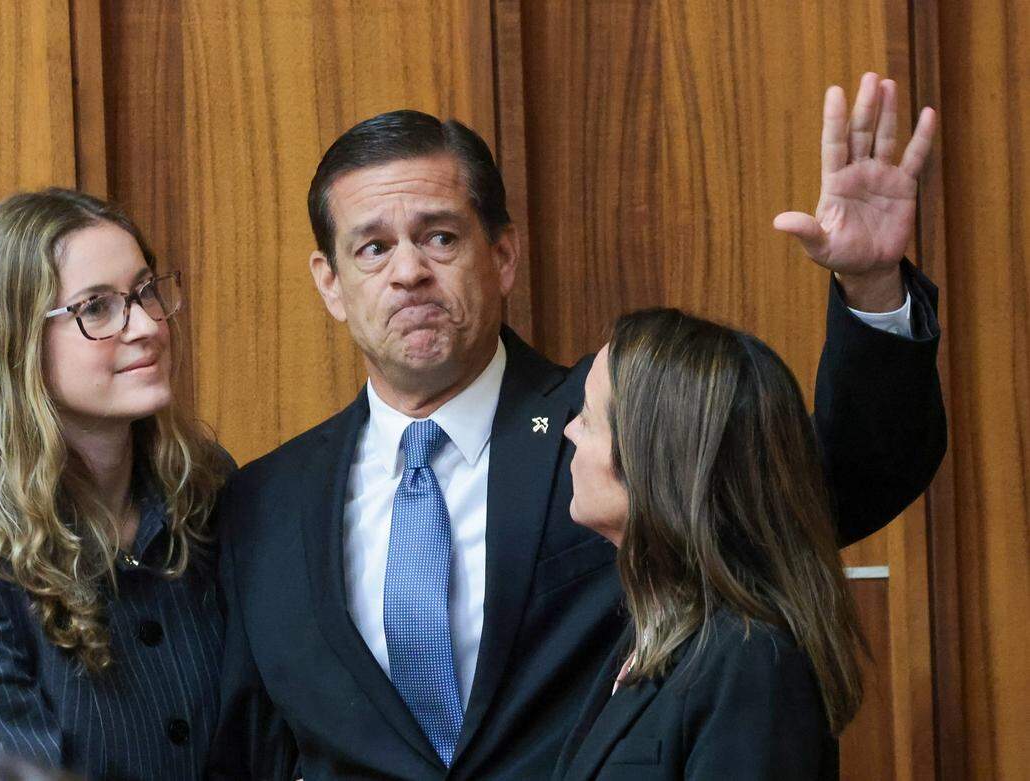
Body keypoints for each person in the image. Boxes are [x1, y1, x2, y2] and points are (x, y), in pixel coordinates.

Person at [209, 72, 946, 779]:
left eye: (438, 237)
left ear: (502, 255)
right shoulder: (265, 504)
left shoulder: (607, 425)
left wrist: (872, 287)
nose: (408, 272)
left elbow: (836, 487)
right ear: (331, 283)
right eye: (373, 248)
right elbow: (253, 748)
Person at [0, 189, 231, 780]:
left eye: (146, 290)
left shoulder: (204, 485)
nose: (148, 324)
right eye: (96, 308)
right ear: (13, 343)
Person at [555, 309, 865, 780]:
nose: (568, 430)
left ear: (651, 460)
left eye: (590, 418)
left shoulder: (753, 661)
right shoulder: (657, 632)